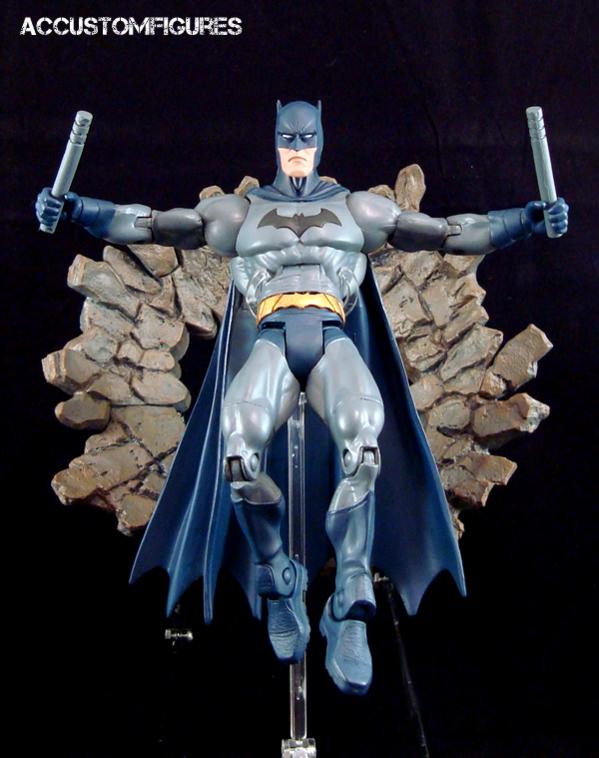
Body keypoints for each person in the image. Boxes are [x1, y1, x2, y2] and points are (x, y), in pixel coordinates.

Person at [36, 100, 568, 694]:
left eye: (305, 137)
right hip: (270, 336)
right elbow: (150, 225)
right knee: (238, 455)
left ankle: (349, 600)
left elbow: (447, 233)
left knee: (364, 446)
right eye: (287, 137)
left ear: (320, 137)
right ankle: (278, 575)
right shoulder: (237, 213)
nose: (296, 147)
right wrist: (78, 209)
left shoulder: (357, 210)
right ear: (274, 138)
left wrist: (523, 221)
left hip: (332, 336)